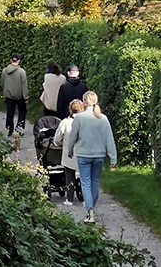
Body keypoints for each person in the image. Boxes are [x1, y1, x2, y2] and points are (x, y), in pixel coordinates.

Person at [63, 91, 117, 224]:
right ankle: (91, 205)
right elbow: (109, 139)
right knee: (95, 182)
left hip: (83, 155)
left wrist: (69, 150)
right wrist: (113, 158)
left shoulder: (79, 118)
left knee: (85, 183)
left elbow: (72, 137)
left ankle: (90, 211)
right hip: (99, 155)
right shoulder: (103, 118)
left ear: (85, 102)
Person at [52, 99, 86, 205]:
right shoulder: (87, 122)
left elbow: (57, 139)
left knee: (69, 176)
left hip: (69, 154)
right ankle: (86, 199)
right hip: (84, 153)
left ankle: (69, 199)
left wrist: (60, 144)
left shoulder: (65, 123)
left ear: (70, 110)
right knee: (85, 176)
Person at [1, 53, 29, 134]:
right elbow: (24, 86)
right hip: (19, 96)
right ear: (19, 61)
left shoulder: (4, 71)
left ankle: (9, 129)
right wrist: (26, 97)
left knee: (10, 113)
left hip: (9, 96)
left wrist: (5, 91)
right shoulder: (22, 72)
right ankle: (18, 129)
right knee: (22, 111)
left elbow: (2, 83)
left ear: (11, 60)